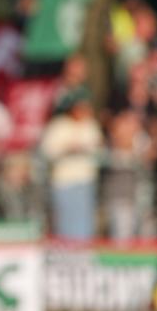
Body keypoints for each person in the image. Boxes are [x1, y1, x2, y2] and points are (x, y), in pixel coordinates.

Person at [40, 90, 104, 241]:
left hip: (85, 181)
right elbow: (48, 151)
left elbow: (98, 149)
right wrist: (68, 149)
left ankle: (82, 256)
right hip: (64, 182)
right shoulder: (59, 126)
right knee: (65, 222)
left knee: (85, 223)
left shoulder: (90, 125)